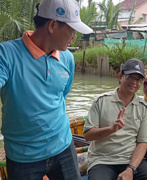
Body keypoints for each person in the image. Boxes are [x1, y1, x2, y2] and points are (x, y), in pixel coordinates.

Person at [0, 0, 93, 179]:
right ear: (52, 25)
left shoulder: (67, 59)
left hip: (63, 147)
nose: (74, 36)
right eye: (72, 30)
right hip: (23, 157)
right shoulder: (6, 55)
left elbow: (60, 97)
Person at [84, 59, 147, 180]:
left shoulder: (144, 108)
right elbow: (88, 135)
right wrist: (111, 129)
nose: (134, 82)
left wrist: (131, 169)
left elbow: (142, 142)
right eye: (130, 77)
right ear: (120, 76)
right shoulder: (101, 101)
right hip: (102, 160)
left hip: (131, 160)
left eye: (138, 79)